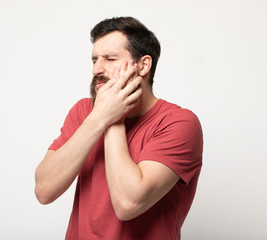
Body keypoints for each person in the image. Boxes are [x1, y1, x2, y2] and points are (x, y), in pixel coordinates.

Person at [35, 16, 203, 240]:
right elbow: (44, 191)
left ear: (143, 65)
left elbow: (128, 203)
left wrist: (112, 118)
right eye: (94, 59)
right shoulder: (84, 112)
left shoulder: (179, 123)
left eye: (110, 59)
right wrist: (98, 119)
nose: (96, 69)